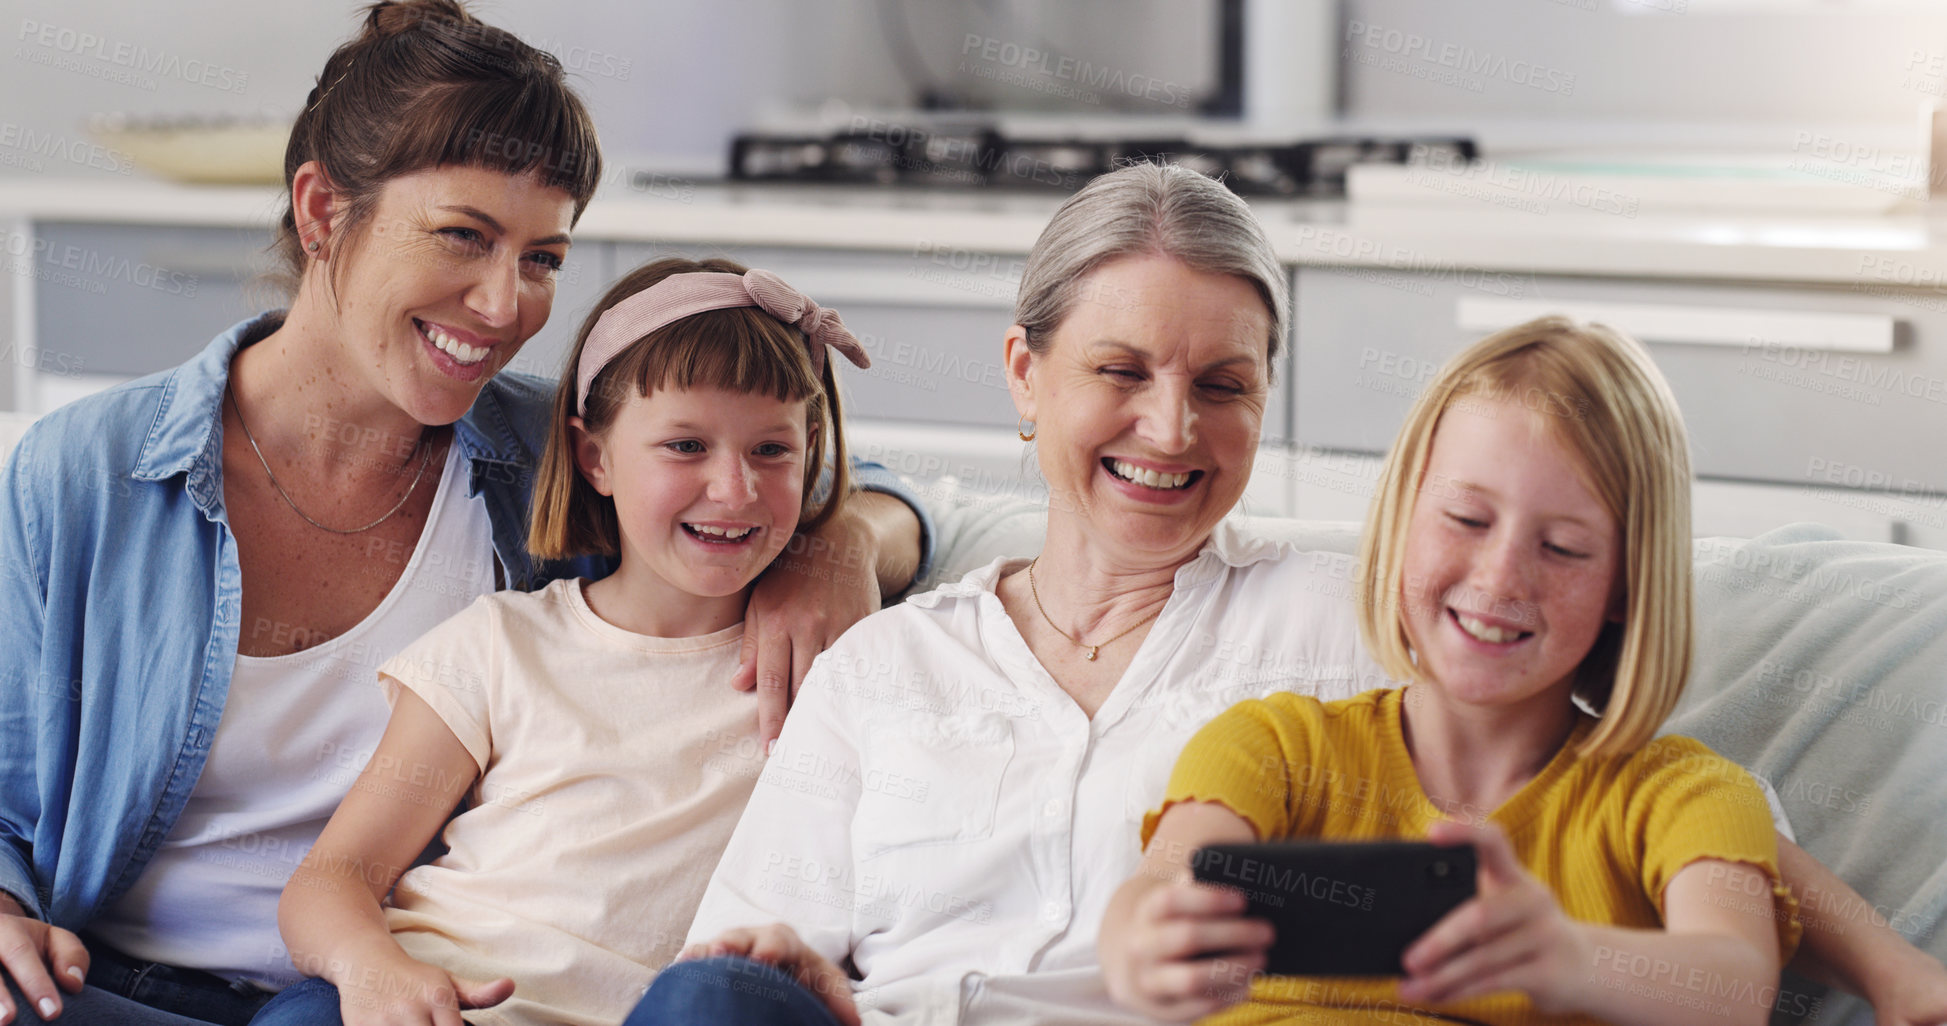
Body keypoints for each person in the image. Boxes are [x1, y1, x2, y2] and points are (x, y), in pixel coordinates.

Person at [637, 163, 1947, 1026]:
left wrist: (1889, 968)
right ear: (1024, 373)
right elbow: (743, 956)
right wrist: (860, 519)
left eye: (1222, 383)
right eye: (1120, 369)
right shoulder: (885, 661)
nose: (1170, 426)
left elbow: (1615, 757)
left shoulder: (1343, 622)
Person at [0, 5, 923, 1024]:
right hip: (112, 987)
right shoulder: (89, 473)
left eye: (543, 258)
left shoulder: (545, 452)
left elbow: (835, 478)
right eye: (463, 237)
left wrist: (840, 543)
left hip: (428, 991)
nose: (504, 305)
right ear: (321, 212)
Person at [1101, 319, 1795, 1025]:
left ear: (1627, 584)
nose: (1501, 577)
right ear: (1401, 522)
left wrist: (1566, 957)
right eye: (1466, 519)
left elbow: (1735, 988)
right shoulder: (1271, 746)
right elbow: (1161, 886)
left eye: (1562, 547)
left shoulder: (1687, 794)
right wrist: (1140, 944)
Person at [246, 257, 866, 1026]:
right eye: (684, 446)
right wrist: (373, 973)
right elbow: (331, 878)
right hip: (446, 1003)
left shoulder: (841, 666)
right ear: (594, 457)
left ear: (811, 454)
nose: (733, 490)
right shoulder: (499, 645)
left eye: (771, 451)